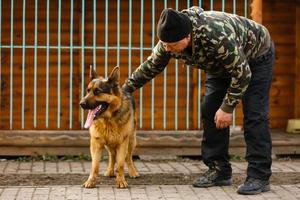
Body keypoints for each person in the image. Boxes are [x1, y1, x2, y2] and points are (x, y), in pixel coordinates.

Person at [122, 6, 275, 195]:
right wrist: (125, 90)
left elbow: (242, 73)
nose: (167, 49)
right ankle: (219, 170)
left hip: (255, 56)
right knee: (209, 109)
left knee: (255, 115)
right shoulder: (169, 41)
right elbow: (150, 66)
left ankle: (259, 176)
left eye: (172, 45)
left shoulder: (216, 34)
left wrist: (227, 107)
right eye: (164, 44)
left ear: (187, 37)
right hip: (220, 64)